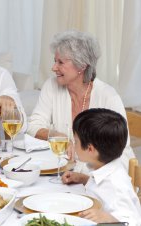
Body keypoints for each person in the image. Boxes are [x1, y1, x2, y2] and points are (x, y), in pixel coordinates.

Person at [27, 30, 134, 171]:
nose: (54, 68)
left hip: (100, 177)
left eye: (60, 62)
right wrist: (55, 136)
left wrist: (85, 175)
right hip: (64, 171)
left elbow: (120, 151)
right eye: (55, 61)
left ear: (82, 66)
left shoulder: (108, 97)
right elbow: (33, 125)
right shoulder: (51, 86)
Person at [61, 108, 141, 224]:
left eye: (76, 141)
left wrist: (109, 218)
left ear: (90, 149)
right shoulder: (104, 168)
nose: (74, 144)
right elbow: (101, 189)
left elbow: (134, 221)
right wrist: (83, 179)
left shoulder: (116, 186)